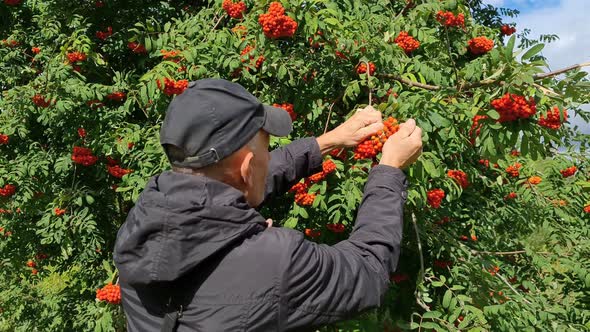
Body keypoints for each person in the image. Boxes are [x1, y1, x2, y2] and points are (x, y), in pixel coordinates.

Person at [113, 78, 422, 331]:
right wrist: (389, 170)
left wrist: (326, 142)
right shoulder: (277, 262)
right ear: (248, 169)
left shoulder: (139, 224)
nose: (269, 156)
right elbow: (368, 271)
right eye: (267, 149)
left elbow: (227, 183)